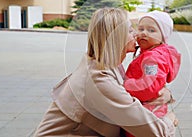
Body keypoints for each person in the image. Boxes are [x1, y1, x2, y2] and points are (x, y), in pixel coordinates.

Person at [33, 8, 177, 137]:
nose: (137, 34)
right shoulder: (99, 79)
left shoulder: (107, 63)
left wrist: (165, 94)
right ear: (116, 37)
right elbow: (155, 131)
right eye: (130, 30)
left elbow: (135, 92)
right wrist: (169, 120)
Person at [124, 11, 181, 137]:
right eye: (141, 29)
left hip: (148, 114)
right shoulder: (149, 54)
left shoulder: (152, 59)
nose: (144, 33)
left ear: (162, 37)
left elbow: (149, 86)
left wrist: (125, 86)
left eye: (151, 30)